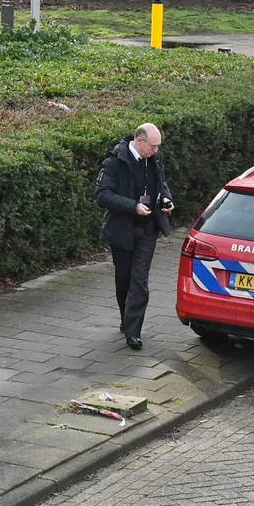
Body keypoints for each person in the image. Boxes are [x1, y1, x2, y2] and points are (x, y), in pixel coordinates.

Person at [95, 123, 174, 350]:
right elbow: (102, 195)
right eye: (153, 146)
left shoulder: (154, 159)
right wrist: (133, 207)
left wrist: (166, 199)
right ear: (139, 141)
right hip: (122, 229)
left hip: (148, 229)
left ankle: (133, 332)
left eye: (158, 147)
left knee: (139, 280)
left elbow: (161, 184)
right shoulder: (115, 162)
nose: (156, 151)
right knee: (124, 279)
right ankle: (125, 319)